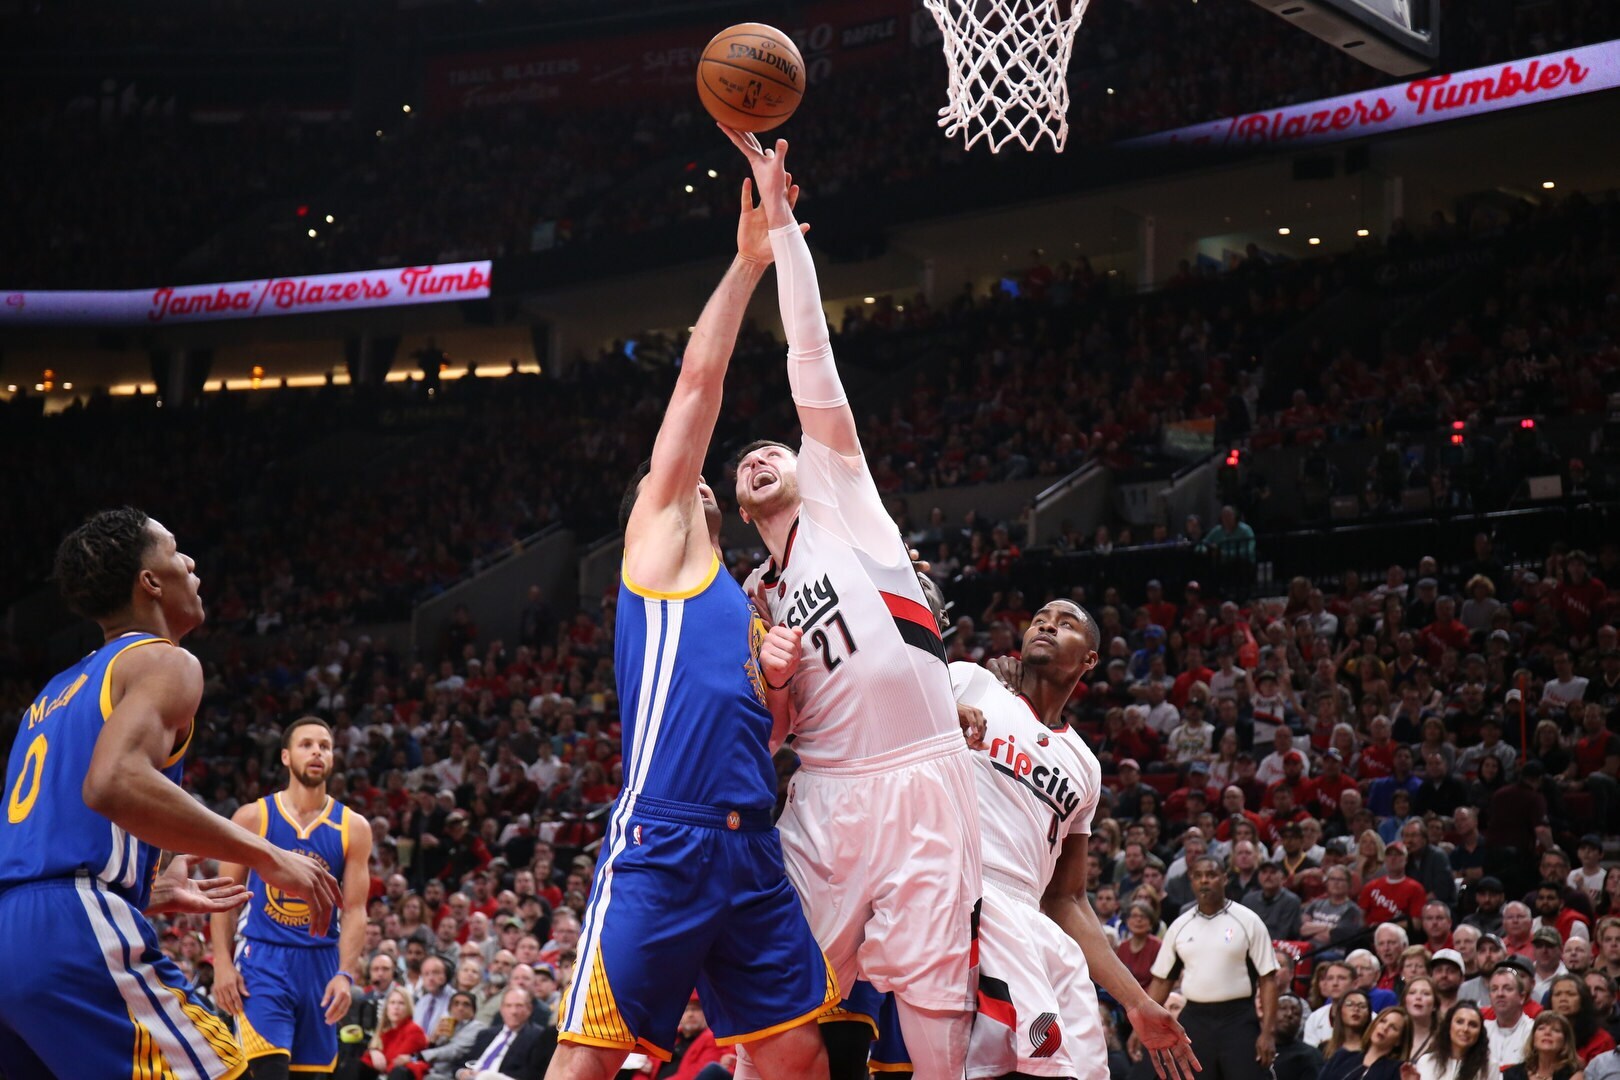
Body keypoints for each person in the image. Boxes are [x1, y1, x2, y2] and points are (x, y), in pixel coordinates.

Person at [548, 161, 834, 1080]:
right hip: (666, 838)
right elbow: (697, 384)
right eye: (669, 481)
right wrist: (749, 262)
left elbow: (776, 736)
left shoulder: (746, 606)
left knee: (797, 1055)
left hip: (752, 846)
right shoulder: (661, 546)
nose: (685, 477)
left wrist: (782, 682)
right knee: (589, 1062)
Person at [725, 130, 981, 1079]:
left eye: (771, 449)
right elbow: (769, 736)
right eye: (742, 460)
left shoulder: (841, 493)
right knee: (780, 987)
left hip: (918, 772)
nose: (758, 454)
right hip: (824, 794)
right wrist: (771, 681)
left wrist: (783, 226)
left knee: (932, 990)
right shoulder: (751, 598)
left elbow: (809, 348)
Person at [0, 508, 341, 1080]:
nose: (190, 562)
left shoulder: (53, 692)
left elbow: (48, 839)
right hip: (72, 928)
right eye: (176, 550)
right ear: (150, 581)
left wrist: (145, 890)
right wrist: (269, 856)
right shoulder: (165, 661)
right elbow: (112, 782)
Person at [951, 603, 1197, 1080]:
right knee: (1039, 1055)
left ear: (1089, 660)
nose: (1047, 625)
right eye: (1041, 618)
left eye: (1066, 624)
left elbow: (1065, 899)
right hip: (968, 886)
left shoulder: (1084, 764)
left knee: (1085, 1064)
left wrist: (1138, 1003)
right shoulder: (970, 682)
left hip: (1032, 917)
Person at [212, 716, 375, 1079]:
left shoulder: (353, 827)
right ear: (286, 757)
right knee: (269, 1071)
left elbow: (355, 909)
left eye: (325, 746)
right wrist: (221, 963)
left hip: (320, 964)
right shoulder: (254, 817)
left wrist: (346, 973)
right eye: (306, 744)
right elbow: (225, 897)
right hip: (263, 960)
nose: (317, 751)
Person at [1148, 856, 1279, 1080]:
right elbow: (1162, 980)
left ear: (1224, 879)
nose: (1204, 881)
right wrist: (1143, 1024)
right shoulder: (1180, 926)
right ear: (1191, 881)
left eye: (1211, 875)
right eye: (1198, 876)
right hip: (1195, 1020)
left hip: (1238, 1019)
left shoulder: (1248, 921)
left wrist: (1268, 1032)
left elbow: (1268, 979)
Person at [458, 988, 554, 1080]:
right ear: (501, 1009)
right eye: (508, 1006)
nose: (513, 1011)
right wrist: (461, 1072)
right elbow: (464, 1061)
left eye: (519, 1006)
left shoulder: (538, 1036)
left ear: (529, 1009)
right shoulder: (485, 1034)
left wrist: (485, 1075)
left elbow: (532, 1073)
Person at [1319, 1006, 1410, 1080]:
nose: (1385, 1028)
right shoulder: (1341, 1057)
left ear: (1399, 1041)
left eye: (1393, 1027)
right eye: (1382, 1021)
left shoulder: (1397, 1071)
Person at [1414, 1002, 1496, 1080]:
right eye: (1459, 1022)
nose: (1465, 1029)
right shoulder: (1426, 1061)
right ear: (1449, 1026)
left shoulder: (1490, 1067)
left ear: (1480, 1032)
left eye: (1472, 1024)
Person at [1548, 974, 1617, 1064]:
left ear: (1583, 1000)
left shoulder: (1602, 1041)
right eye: (1557, 994)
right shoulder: (1543, 1034)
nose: (1563, 999)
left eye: (1570, 994)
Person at [363, 986, 427, 1079]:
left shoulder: (415, 1031)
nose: (396, 1007)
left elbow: (395, 1062)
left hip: (402, 1076)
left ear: (408, 1007)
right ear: (387, 1007)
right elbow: (366, 1060)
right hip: (385, 1074)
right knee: (355, 1065)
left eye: (401, 1003)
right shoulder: (384, 1031)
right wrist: (372, 1052)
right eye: (392, 1003)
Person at [1499, 1013, 1587, 1080]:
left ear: (1565, 1042)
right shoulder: (1513, 1074)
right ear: (1533, 1039)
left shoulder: (1574, 1075)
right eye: (1541, 1028)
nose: (1547, 1032)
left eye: (1556, 1030)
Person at [1489, 966, 1536, 1066]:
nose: (1500, 994)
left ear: (1522, 997)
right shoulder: (1482, 1030)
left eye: (1508, 989)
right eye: (1494, 989)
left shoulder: (1533, 1031)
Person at [1274, 995, 1325, 1080]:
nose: (1289, 1014)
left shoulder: (1309, 1056)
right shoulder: (1252, 1048)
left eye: (1296, 1013)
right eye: (1283, 1008)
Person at [1304, 963, 1355, 1049]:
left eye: (1341, 978)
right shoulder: (1315, 1018)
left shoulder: (1370, 1018)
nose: (1335, 983)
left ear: (1355, 984)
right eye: (1330, 978)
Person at [1325, 990, 1374, 1056]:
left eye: (1362, 1006)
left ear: (1369, 1014)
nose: (1356, 1009)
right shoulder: (1324, 1047)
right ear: (1340, 1011)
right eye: (1349, 1004)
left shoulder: (1374, 1049)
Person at [1405, 976, 1441, 1059]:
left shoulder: (1443, 1041)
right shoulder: (1394, 1036)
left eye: (1426, 994)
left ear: (1435, 1005)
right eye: (1412, 992)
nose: (1418, 997)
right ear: (1405, 1001)